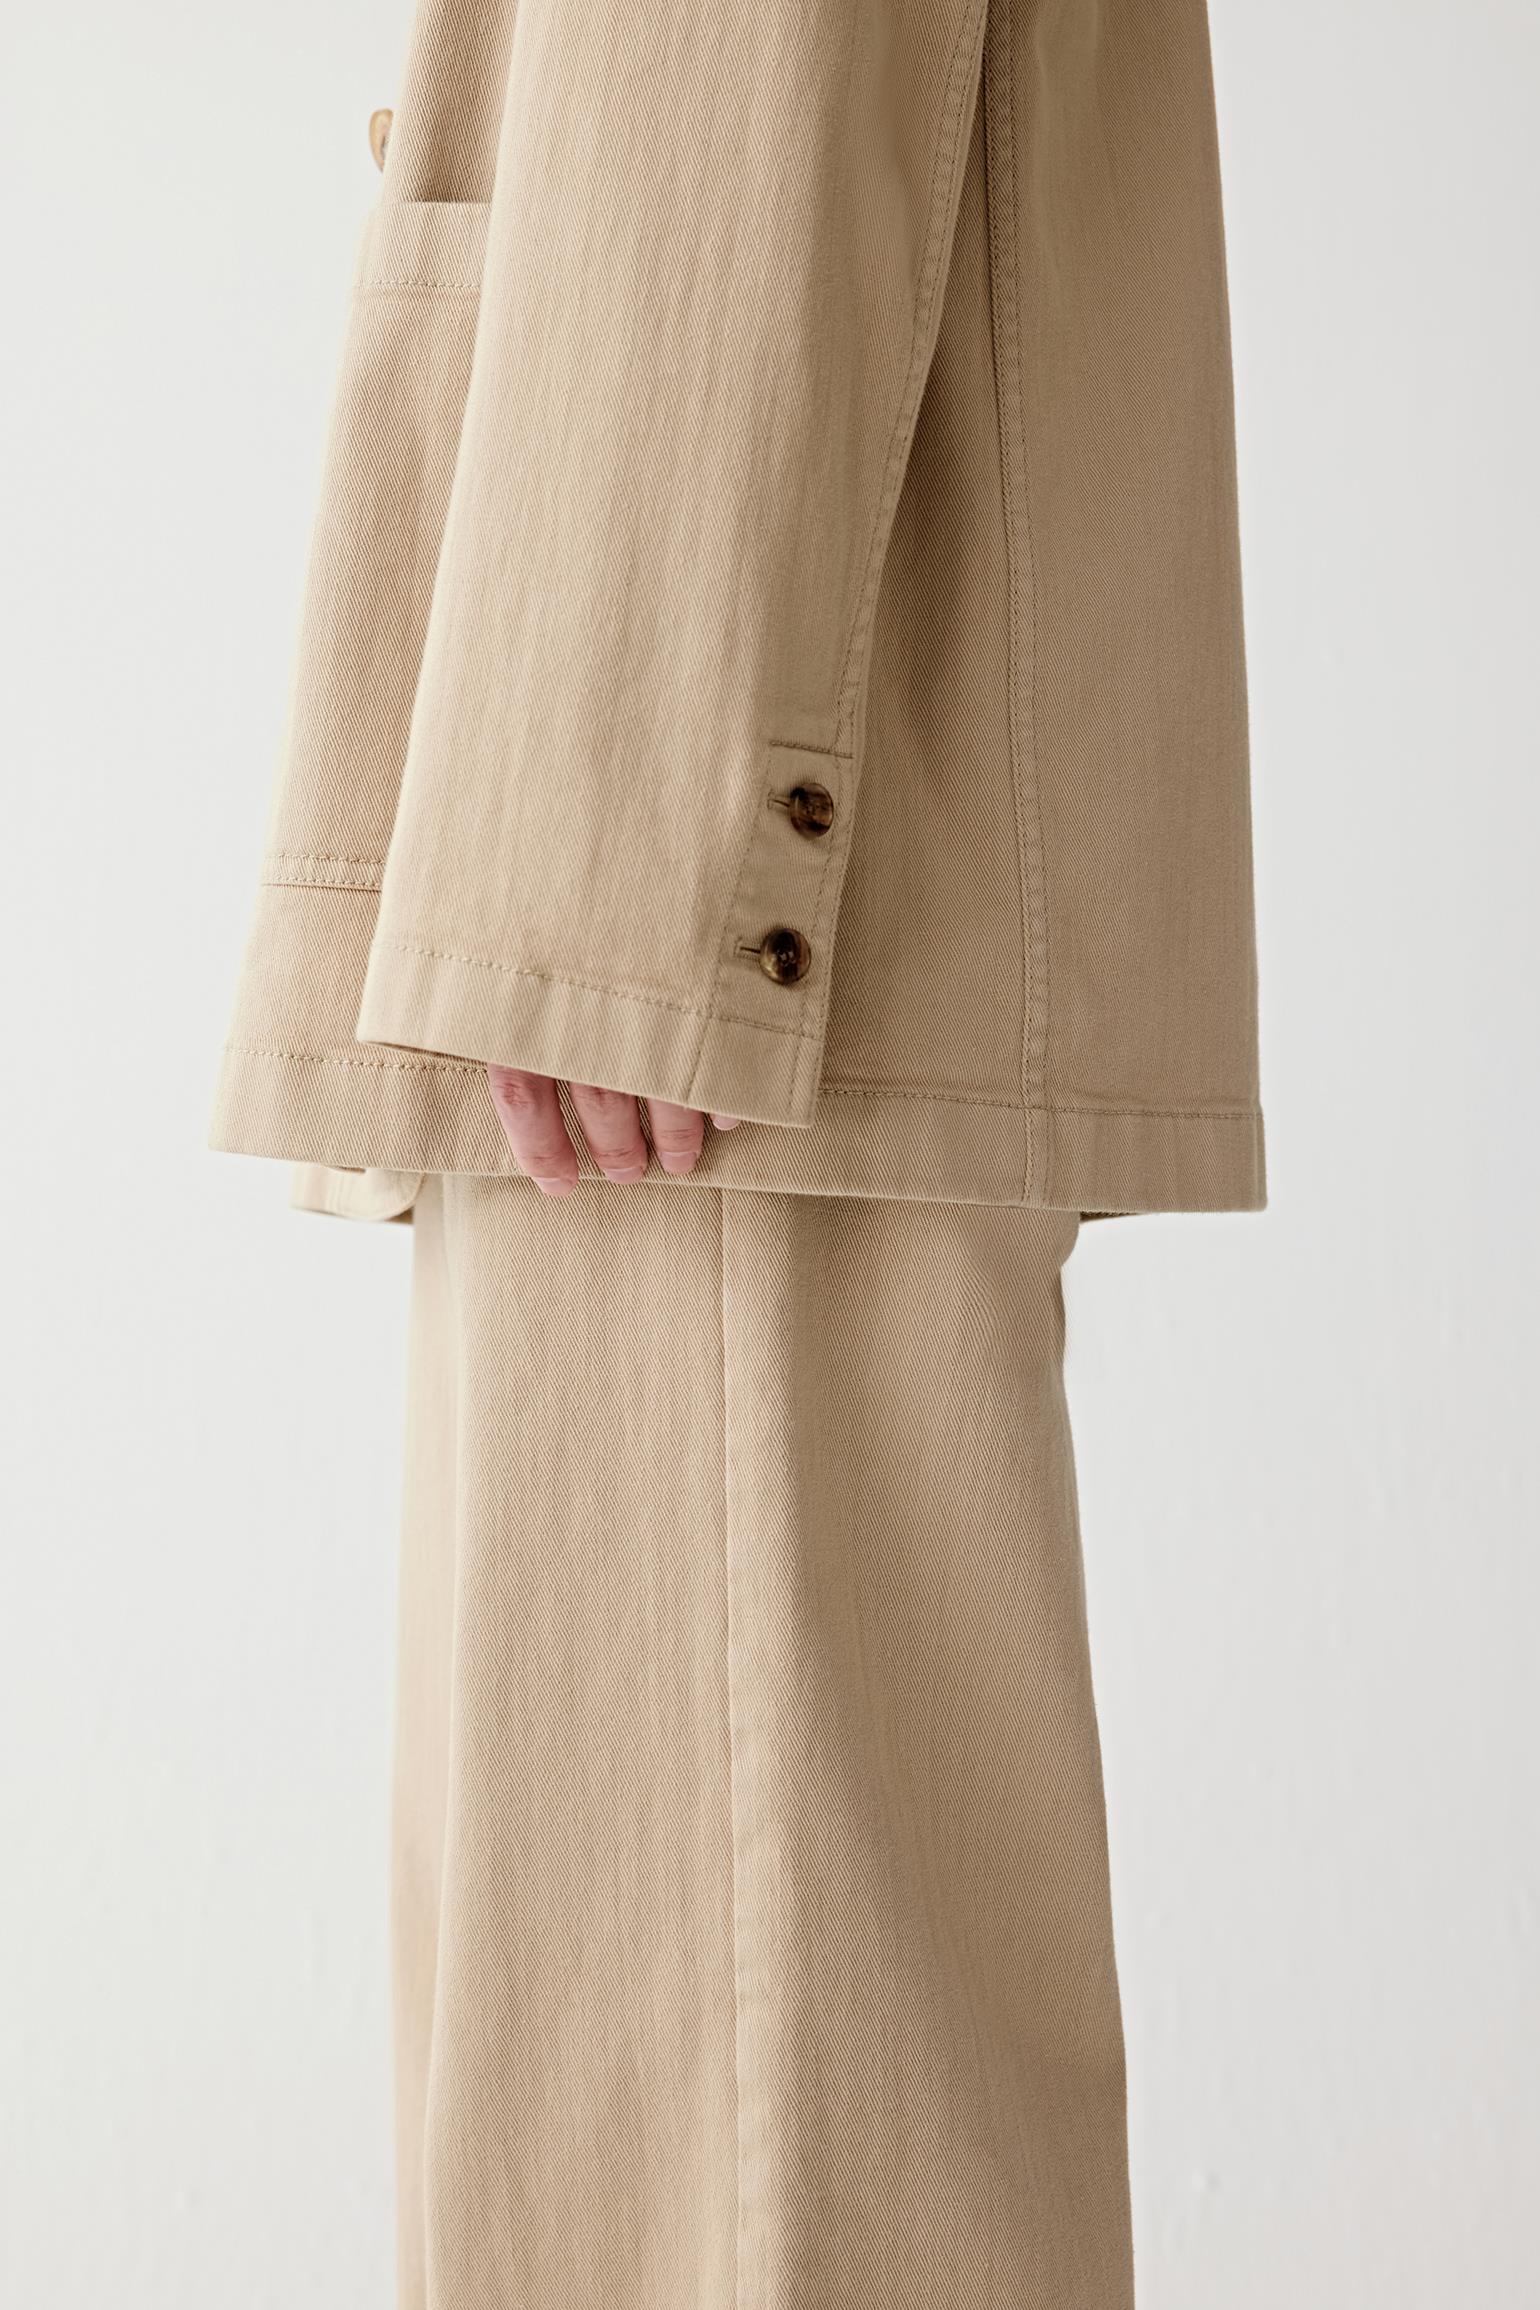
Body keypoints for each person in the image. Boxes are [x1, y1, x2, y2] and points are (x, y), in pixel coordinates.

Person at [213, 2, 1263, 2302]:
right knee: (733, 2081)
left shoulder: (658, 902)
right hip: (769, 804)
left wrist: (637, 840)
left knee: (710, 2127)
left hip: (716, 927)